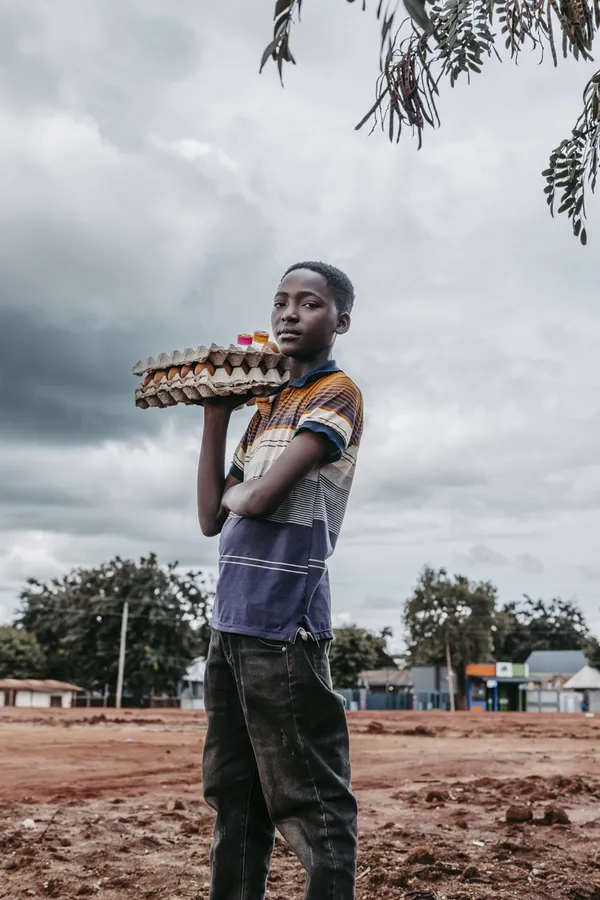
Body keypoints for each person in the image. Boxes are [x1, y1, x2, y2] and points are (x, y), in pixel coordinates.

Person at [197, 261, 364, 900]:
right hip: (230, 624)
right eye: (281, 302)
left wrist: (244, 492)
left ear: (340, 320)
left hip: (285, 623)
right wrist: (216, 415)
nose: (290, 313)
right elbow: (212, 515)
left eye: (310, 303)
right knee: (235, 795)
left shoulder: (336, 392)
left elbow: (260, 498)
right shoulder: (264, 408)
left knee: (311, 802)